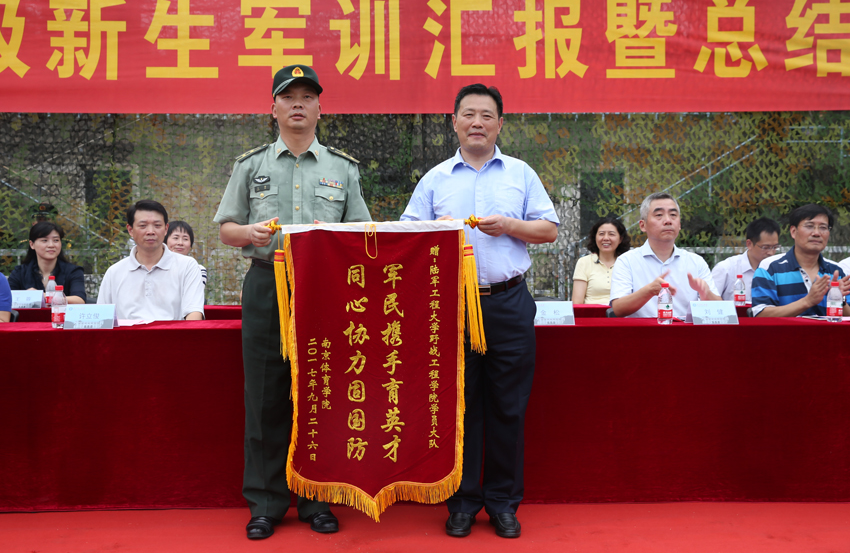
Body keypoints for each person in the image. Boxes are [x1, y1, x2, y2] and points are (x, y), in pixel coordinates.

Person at [214, 64, 371, 540]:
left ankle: (317, 500)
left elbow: (363, 233)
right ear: (274, 108)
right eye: (289, 96)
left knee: (321, 395)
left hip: (325, 290)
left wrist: (338, 241)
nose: (298, 104)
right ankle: (265, 503)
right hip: (267, 284)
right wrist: (250, 232)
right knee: (265, 397)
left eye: (307, 96)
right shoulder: (251, 165)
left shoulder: (343, 169)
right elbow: (227, 229)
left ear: (321, 108)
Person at [401, 84, 559, 539]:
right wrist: (434, 232)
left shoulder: (520, 174)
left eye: (486, 116)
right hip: (451, 304)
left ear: (500, 124)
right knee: (460, 407)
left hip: (508, 302)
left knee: (509, 407)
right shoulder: (435, 179)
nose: (477, 123)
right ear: (453, 122)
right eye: (468, 114)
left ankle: (503, 503)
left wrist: (510, 226)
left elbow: (549, 229)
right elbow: (406, 234)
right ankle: (463, 503)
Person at [610, 192, 720, 318]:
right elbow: (618, 309)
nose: (668, 221)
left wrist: (705, 292)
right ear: (643, 225)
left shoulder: (696, 262)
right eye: (659, 215)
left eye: (673, 215)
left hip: (685, 330)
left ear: (679, 225)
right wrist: (649, 291)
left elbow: (721, 311)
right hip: (642, 330)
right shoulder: (626, 261)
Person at [97, 200, 204, 321]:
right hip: (128, 334)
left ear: (166, 229)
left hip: (173, 333)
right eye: (143, 226)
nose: (151, 231)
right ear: (130, 230)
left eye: (157, 225)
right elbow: (102, 318)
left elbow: (194, 314)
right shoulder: (114, 272)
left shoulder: (187, 266)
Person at [752, 204, 850, 317]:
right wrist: (807, 301)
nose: (816, 233)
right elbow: (760, 314)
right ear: (793, 231)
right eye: (809, 226)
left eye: (823, 227)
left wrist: (838, 298)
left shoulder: (836, 271)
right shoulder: (770, 267)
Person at [8, 221, 87, 304]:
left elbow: (79, 300)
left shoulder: (73, 271)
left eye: (56, 240)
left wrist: (40, 296)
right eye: (44, 240)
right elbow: (7, 298)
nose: (51, 245)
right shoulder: (19, 272)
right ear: (32, 244)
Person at [710, 217, 781, 303]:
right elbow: (709, 302)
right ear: (749, 244)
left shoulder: (780, 270)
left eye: (775, 247)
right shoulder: (726, 269)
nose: (771, 252)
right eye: (765, 247)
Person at [572, 217, 630, 304]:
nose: (606, 238)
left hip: (620, 312)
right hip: (591, 312)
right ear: (595, 237)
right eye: (601, 234)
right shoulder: (584, 262)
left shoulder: (628, 262)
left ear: (620, 239)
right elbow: (577, 302)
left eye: (611, 234)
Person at [165, 221, 207, 287]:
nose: (180, 243)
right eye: (176, 238)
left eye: (185, 239)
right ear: (165, 241)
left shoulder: (198, 269)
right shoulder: (153, 266)